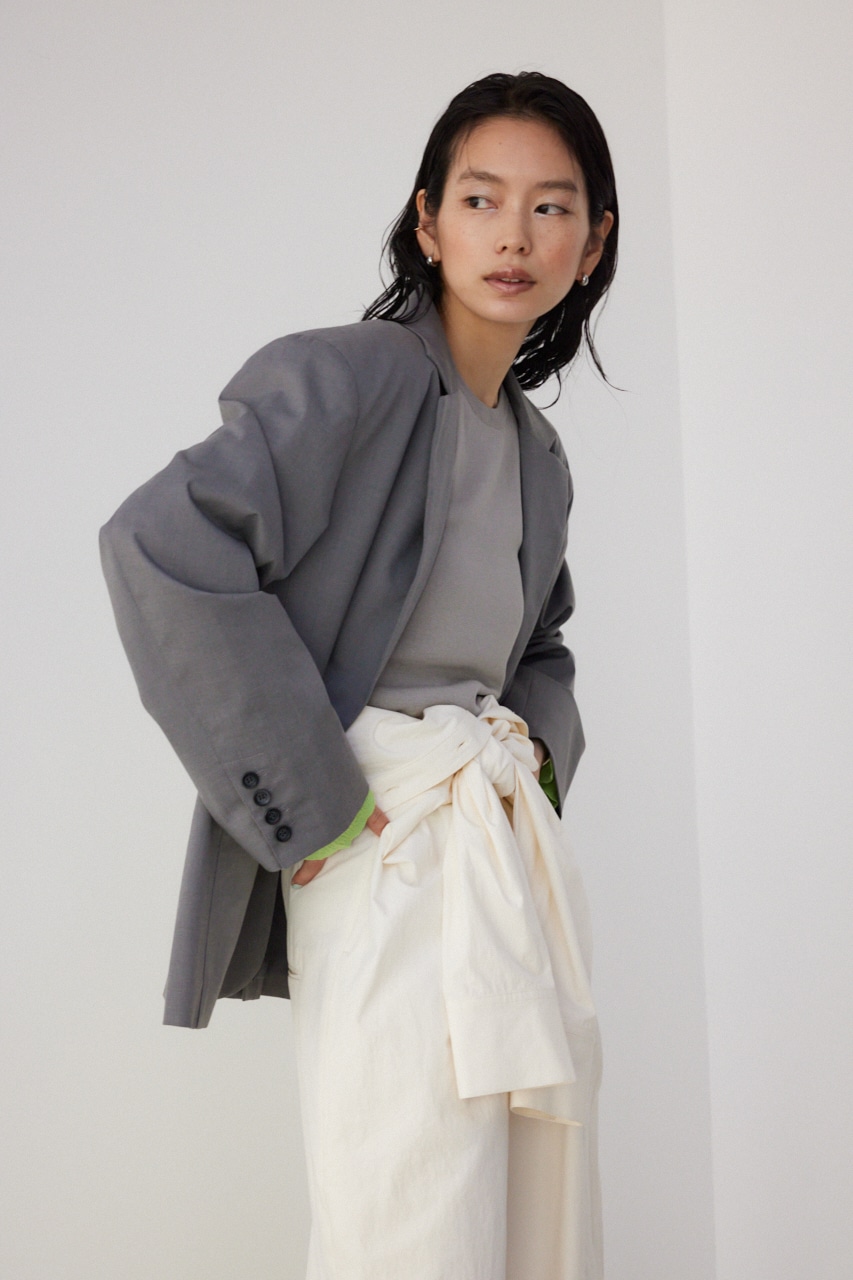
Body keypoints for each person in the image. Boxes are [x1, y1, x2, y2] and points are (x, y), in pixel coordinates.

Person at [100, 69, 617, 1280]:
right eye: (480, 199)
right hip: (380, 834)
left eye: (550, 207)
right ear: (428, 222)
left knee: (527, 1220)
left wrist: (534, 760)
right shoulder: (346, 378)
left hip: (490, 845)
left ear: (592, 246)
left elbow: (540, 644)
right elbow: (160, 542)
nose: (513, 234)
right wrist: (318, 806)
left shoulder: (537, 452)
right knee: (407, 1217)